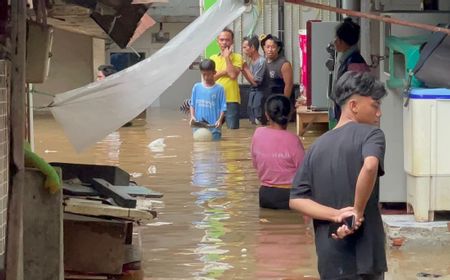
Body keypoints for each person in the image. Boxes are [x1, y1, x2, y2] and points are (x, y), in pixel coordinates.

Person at [289, 71, 388, 280]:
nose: (379, 113)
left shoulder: (316, 146)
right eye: (375, 105)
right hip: (365, 257)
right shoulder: (371, 135)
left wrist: (335, 215)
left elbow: (296, 200)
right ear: (353, 105)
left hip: (330, 258)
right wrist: (357, 212)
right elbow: (370, 166)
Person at [251, 95, 305, 209]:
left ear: (266, 114)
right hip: (290, 196)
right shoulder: (293, 140)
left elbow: (255, 164)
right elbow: (304, 173)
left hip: (265, 195)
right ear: (290, 114)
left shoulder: (258, 133)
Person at [331, 17, 370, 122]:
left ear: (343, 42)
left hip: (352, 117)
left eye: (337, 38)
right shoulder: (347, 59)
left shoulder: (355, 64)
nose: (334, 42)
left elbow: (357, 95)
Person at [210, 28, 243, 129]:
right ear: (217, 41)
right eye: (222, 39)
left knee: (233, 131)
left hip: (231, 99)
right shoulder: (212, 58)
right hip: (214, 99)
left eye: (227, 40)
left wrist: (227, 57)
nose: (224, 42)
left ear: (232, 41)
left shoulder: (238, 57)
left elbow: (232, 75)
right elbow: (210, 79)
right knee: (213, 129)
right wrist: (225, 71)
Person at [189, 59, 226, 141]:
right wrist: (192, 117)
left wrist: (220, 120)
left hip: (214, 128)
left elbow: (223, 108)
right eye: (203, 74)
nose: (206, 77)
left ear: (214, 72)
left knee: (215, 149)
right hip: (198, 129)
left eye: (208, 74)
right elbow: (192, 104)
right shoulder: (196, 87)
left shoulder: (220, 89)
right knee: (199, 151)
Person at [260, 34, 293, 125]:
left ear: (278, 48)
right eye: (268, 47)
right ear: (264, 48)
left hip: (278, 103)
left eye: (273, 47)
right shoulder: (263, 62)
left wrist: (284, 103)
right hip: (266, 102)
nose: (270, 50)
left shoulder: (284, 64)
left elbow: (289, 85)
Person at [241, 35, 266, 125]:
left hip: (260, 92)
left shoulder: (261, 62)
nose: (243, 50)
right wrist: (243, 70)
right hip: (253, 92)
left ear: (252, 48)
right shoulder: (251, 61)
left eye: (245, 47)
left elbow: (256, 83)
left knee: (258, 118)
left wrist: (246, 69)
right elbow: (251, 81)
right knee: (251, 115)